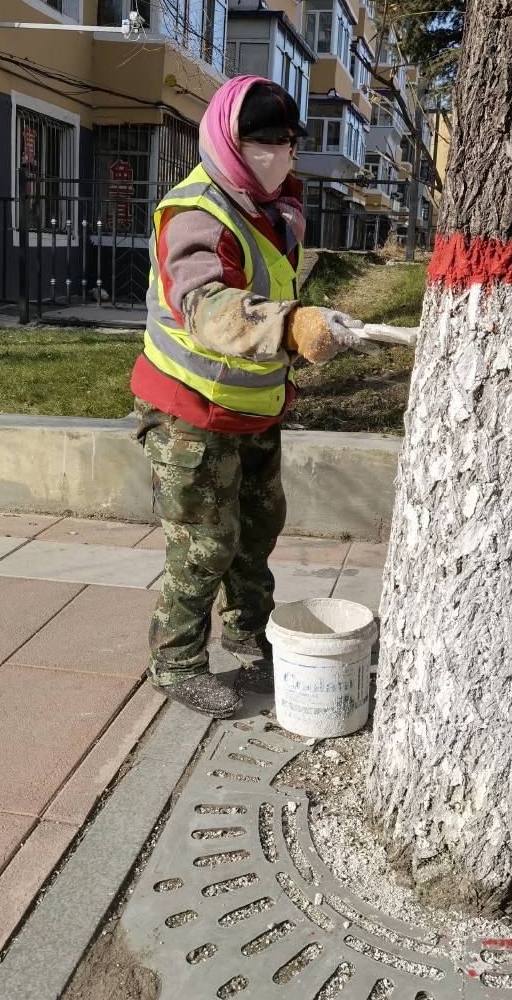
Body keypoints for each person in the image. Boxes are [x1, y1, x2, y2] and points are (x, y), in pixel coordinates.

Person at [130, 75, 378, 717]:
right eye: (264, 140)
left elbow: (271, 293)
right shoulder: (199, 214)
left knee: (256, 532)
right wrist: (290, 325)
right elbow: (206, 306)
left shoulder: (271, 209)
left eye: (290, 142)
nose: (280, 153)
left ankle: (249, 635)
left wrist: (314, 327)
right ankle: (176, 661)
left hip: (252, 408)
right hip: (189, 412)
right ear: (228, 140)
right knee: (203, 543)